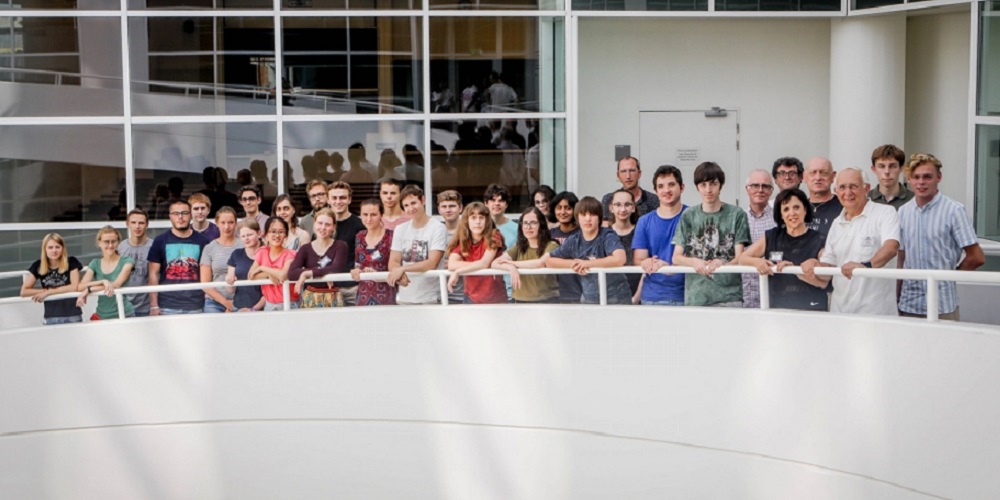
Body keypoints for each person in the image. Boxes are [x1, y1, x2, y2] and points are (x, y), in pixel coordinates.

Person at [897, 153, 985, 320]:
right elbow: (901, 258)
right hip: (909, 304)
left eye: (927, 177)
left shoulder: (954, 210)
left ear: (939, 177)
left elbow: (976, 257)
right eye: (916, 177)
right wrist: (897, 297)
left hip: (942, 305)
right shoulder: (903, 212)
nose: (921, 182)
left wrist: (949, 279)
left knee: (946, 347)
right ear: (909, 179)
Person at [805, 167, 900, 316]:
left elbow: (891, 248)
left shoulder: (885, 213)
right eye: (842, 187)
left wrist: (865, 266)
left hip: (876, 312)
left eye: (853, 186)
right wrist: (814, 265)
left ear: (866, 188)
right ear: (836, 191)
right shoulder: (836, 223)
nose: (847, 193)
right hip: (840, 312)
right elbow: (828, 265)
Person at [672, 162, 751, 307]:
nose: (708, 190)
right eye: (703, 185)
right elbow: (676, 257)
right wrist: (694, 262)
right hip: (696, 296)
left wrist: (723, 263)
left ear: (720, 185)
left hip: (729, 296)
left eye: (713, 183)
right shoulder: (688, 215)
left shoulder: (736, 214)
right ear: (697, 187)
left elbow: (740, 258)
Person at [738, 188, 830, 311]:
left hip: (812, 310)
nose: (792, 213)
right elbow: (742, 258)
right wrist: (759, 262)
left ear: (805, 209)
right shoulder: (772, 236)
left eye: (796, 207)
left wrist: (796, 270)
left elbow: (825, 280)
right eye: (786, 209)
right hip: (777, 310)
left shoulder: (819, 239)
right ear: (780, 214)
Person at [547, 196, 631, 304]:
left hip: (617, 297)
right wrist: (573, 264)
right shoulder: (574, 240)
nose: (587, 219)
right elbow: (549, 260)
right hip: (589, 297)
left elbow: (620, 258)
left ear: (599, 217)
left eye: (592, 214)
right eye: (583, 214)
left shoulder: (607, 235)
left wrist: (587, 264)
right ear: (577, 218)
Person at [633, 165, 687, 306]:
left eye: (671, 185)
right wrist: (647, 262)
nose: (666, 190)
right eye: (661, 186)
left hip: (687, 295)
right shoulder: (644, 221)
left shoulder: (693, 216)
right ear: (655, 191)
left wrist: (668, 266)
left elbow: (697, 255)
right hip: (652, 297)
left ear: (682, 187)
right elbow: (639, 258)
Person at [388, 185, 449, 305]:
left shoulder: (438, 227)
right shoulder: (400, 229)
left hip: (431, 297)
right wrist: (398, 275)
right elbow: (393, 261)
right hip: (405, 298)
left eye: (413, 203)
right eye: (406, 205)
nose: (411, 208)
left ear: (423, 200)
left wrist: (403, 269)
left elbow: (432, 263)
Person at [148, 199, 210, 315]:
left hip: (196, 304)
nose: (180, 217)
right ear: (170, 216)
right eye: (176, 214)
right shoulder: (160, 241)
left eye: (184, 213)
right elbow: (153, 274)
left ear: (191, 215)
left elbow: (207, 274)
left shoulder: (203, 241)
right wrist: (154, 305)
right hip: (167, 304)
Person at [491, 206, 560, 303]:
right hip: (520, 301)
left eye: (533, 223)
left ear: (541, 225)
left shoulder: (552, 245)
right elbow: (495, 263)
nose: (528, 227)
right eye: (525, 223)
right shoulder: (519, 246)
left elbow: (540, 263)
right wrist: (511, 268)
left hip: (546, 300)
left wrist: (513, 264)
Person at [445, 202, 507, 304]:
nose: (477, 222)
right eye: (473, 218)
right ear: (466, 221)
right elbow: (451, 264)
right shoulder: (464, 239)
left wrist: (458, 271)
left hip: (495, 297)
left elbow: (484, 263)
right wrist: (481, 265)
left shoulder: (494, 235)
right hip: (471, 297)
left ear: (487, 220)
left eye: (481, 218)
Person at [289, 208, 349, 308]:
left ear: (333, 227)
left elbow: (336, 268)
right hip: (310, 298)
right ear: (314, 224)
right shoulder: (305, 248)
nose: (323, 227)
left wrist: (306, 273)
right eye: (320, 223)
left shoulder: (340, 245)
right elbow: (292, 273)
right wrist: (324, 272)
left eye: (327, 224)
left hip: (332, 297)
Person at [22, 233, 83, 325]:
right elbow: (24, 291)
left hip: (73, 314)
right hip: (51, 316)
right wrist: (44, 290)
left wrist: (49, 292)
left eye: (57, 247)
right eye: (50, 247)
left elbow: (74, 286)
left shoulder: (71, 262)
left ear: (62, 248)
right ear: (45, 249)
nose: (54, 250)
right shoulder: (39, 265)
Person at [77, 226, 135, 320]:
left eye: (113, 241)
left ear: (118, 242)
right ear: (99, 243)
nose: (110, 245)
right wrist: (103, 281)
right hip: (102, 315)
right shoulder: (95, 263)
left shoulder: (127, 261)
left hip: (124, 314)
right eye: (106, 242)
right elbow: (80, 287)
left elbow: (116, 284)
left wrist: (89, 289)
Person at [741, 169, 777, 308]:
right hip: (742, 295)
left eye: (765, 186)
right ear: (747, 189)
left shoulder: (779, 219)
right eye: (755, 185)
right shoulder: (738, 217)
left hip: (770, 293)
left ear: (772, 191)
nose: (760, 190)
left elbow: (781, 252)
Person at [351, 199, 397, 306]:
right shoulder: (359, 236)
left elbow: (397, 267)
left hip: (386, 294)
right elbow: (358, 263)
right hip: (363, 294)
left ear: (381, 214)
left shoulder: (391, 236)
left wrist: (377, 274)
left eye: (373, 215)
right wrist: (356, 270)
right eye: (365, 214)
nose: (368, 219)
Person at [328, 181, 367, 305]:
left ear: (349, 199)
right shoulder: (323, 225)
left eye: (343, 197)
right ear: (328, 200)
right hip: (329, 286)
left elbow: (364, 256)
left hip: (353, 287)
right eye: (334, 198)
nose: (338, 201)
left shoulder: (359, 225)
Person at [249, 217, 300, 311]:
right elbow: (251, 276)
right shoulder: (262, 252)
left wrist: (263, 268)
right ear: (266, 234)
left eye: (281, 232)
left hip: (289, 304)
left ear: (286, 235)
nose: (277, 235)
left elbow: (283, 275)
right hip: (269, 304)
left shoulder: (291, 254)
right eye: (273, 231)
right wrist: (269, 274)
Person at [199, 207, 240, 313]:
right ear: (217, 223)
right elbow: (205, 284)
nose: (227, 227)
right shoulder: (209, 248)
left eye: (231, 222)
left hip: (241, 301)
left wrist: (233, 304)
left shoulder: (244, 245)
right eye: (223, 222)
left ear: (236, 223)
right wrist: (226, 302)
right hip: (214, 302)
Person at [601, 156, 659, 222]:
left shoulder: (653, 200)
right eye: (623, 171)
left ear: (639, 174)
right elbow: (605, 228)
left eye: (632, 171)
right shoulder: (609, 199)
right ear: (618, 175)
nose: (628, 176)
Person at [118, 208, 153, 316]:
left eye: (141, 223)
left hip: (147, 306)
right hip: (123, 305)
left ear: (147, 225)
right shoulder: (120, 248)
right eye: (133, 222)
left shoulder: (154, 246)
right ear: (127, 224)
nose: (137, 226)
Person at [225, 219, 265, 312]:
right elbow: (230, 290)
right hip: (238, 307)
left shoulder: (268, 254)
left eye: (250, 235)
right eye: (243, 236)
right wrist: (228, 280)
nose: (246, 238)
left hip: (262, 309)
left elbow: (271, 290)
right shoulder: (236, 254)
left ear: (259, 233)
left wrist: (253, 309)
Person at [549, 191, 582, 303]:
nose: (563, 212)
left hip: (578, 292)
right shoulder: (549, 234)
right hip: (552, 292)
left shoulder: (582, 233)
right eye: (559, 208)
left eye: (568, 208)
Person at [608, 189, 641, 301]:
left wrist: (636, 298)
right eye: (617, 205)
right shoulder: (604, 233)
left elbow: (646, 269)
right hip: (609, 296)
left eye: (627, 204)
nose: (623, 209)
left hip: (637, 294)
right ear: (611, 208)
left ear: (633, 208)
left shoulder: (641, 231)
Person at [437, 190, 465, 304]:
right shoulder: (435, 231)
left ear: (460, 208)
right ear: (439, 209)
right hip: (439, 293)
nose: (448, 210)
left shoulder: (470, 231)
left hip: (464, 294)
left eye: (452, 206)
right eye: (444, 206)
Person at [803, 157, 842, 237]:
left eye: (823, 173)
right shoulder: (797, 208)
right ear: (804, 177)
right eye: (813, 173)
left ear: (833, 176)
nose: (818, 178)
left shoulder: (844, 207)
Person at [868, 144, 914, 210]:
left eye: (892, 166)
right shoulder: (865, 200)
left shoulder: (913, 200)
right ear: (874, 169)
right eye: (881, 166)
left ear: (901, 168)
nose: (887, 172)